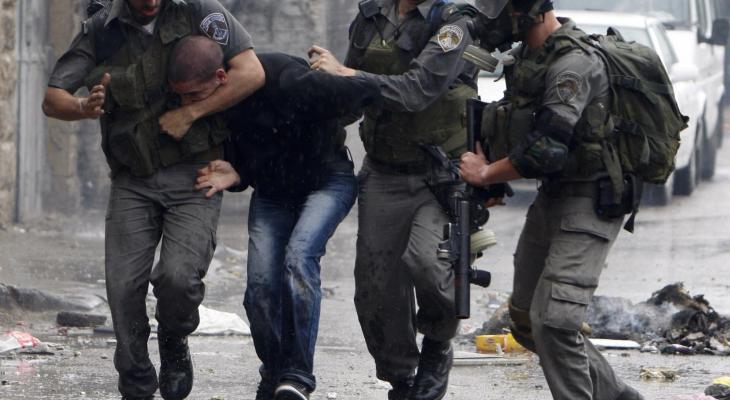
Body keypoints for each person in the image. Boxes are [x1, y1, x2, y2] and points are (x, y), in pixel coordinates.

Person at [41, 1, 264, 399]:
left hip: (195, 174)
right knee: (123, 289)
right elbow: (52, 98)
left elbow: (251, 72)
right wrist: (82, 107)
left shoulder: (198, 12)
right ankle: (136, 381)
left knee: (179, 279)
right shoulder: (102, 29)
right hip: (133, 178)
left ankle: (174, 339)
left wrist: (192, 113)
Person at [167, 36, 380, 400]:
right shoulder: (215, 107)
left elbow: (357, 96)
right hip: (272, 193)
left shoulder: (285, 77)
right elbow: (245, 155)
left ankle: (297, 377)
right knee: (260, 289)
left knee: (299, 259)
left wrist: (341, 73)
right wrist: (237, 172)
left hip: (327, 181)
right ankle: (276, 372)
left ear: (221, 77)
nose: (190, 105)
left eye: (195, 95)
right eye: (183, 97)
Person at [459, 1, 645, 399]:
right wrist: (490, 177)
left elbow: (547, 149)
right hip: (555, 195)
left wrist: (487, 174)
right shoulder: (528, 57)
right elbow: (518, 127)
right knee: (528, 321)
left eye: (507, 10)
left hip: (592, 198)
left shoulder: (573, 65)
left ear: (534, 11)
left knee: (556, 322)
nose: (498, 19)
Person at [307, 1, 478, 398]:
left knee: (428, 264)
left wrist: (346, 74)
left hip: (440, 174)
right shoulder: (372, 15)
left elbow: (418, 91)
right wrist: (309, 102)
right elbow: (351, 97)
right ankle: (402, 377)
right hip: (384, 169)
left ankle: (437, 343)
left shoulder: (453, 22)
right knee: (375, 288)